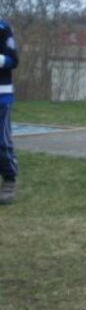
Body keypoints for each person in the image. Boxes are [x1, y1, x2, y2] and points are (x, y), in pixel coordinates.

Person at [0, 18, 18, 206]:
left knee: (2, 142)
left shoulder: (3, 28)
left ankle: (9, 179)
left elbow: (14, 59)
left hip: (1, 95)